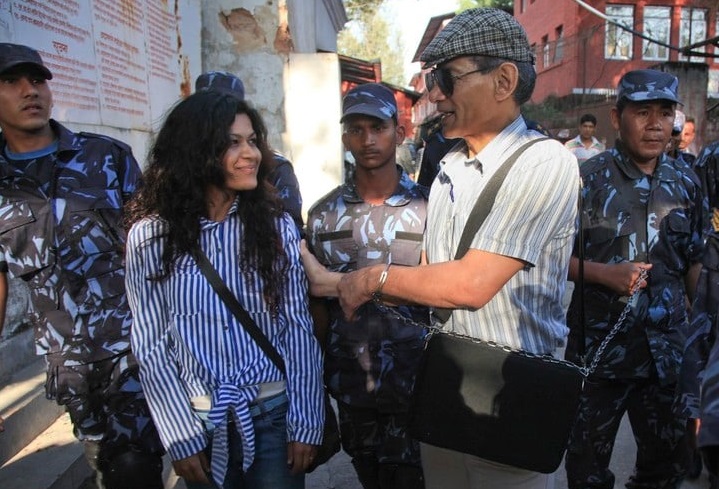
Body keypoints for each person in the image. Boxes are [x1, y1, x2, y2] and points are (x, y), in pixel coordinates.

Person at [328, 8, 580, 489]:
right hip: (448, 392)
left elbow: (471, 283)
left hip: (512, 397)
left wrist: (372, 279)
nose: (434, 94)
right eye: (431, 79)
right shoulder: (448, 169)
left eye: (447, 78)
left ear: (504, 79)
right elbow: (430, 279)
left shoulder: (544, 163)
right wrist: (339, 280)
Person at [124, 90, 324, 489]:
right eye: (232, 143)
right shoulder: (150, 238)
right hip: (200, 422)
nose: (250, 154)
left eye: (252, 141)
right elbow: (151, 344)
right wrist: (179, 435)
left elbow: (297, 327)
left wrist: (307, 420)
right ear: (195, 151)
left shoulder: (274, 227)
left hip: (271, 417)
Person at [0, 43, 164, 488]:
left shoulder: (105, 158)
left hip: (132, 348)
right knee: (105, 466)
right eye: (11, 81)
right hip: (67, 363)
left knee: (134, 467)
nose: (29, 91)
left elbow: (155, 248)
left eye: (36, 80)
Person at [563, 69, 707, 489]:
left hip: (667, 358)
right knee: (587, 472)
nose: (656, 124)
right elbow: (550, 258)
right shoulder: (585, 180)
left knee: (667, 470)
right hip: (600, 357)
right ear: (616, 116)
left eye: (665, 113)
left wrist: (704, 331)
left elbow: (694, 262)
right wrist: (605, 274)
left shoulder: (686, 181)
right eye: (642, 112)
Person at [304, 82, 429, 489]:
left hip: (419, 382)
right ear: (344, 138)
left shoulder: (432, 208)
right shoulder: (324, 215)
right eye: (356, 129)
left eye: (377, 127)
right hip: (353, 382)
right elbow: (317, 308)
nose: (368, 139)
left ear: (400, 131)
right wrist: (317, 385)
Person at [195, 71, 304, 231]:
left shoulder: (275, 168)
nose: (248, 154)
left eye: (251, 141)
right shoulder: (182, 166)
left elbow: (292, 233)